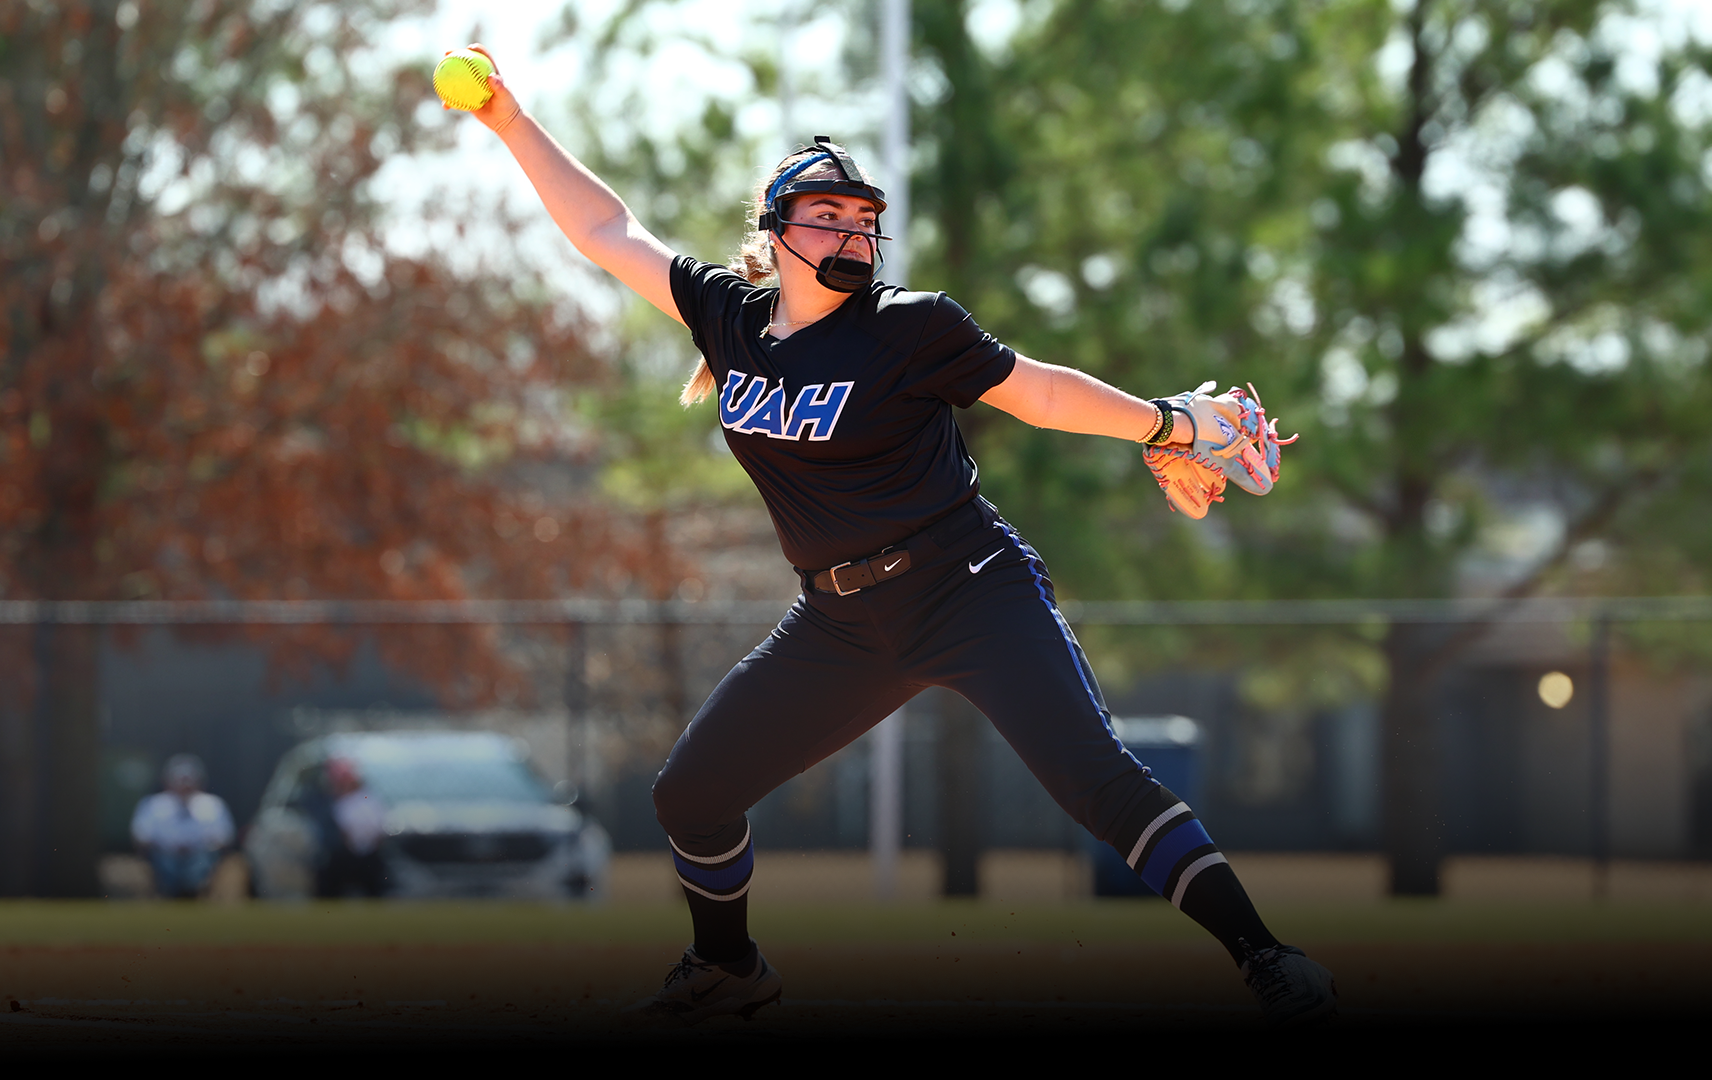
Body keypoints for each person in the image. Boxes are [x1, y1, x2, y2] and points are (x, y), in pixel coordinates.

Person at [458, 47, 1337, 1026]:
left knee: (1097, 783)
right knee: (689, 796)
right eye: (826, 215)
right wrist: (507, 121)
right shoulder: (729, 318)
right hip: (840, 622)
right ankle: (731, 969)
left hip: (967, 585)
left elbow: (1038, 391)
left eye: (865, 219)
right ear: (776, 233)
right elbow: (605, 227)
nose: (852, 231)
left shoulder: (910, 327)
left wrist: (1165, 423)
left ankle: (1267, 956)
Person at [131, 754, 235, 899]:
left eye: (188, 780)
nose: (184, 785)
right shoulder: (153, 804)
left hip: (200, 855)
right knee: (165, 866)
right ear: (168, 781)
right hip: (165, 855)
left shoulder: (213, 805)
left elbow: (224, 837)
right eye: (180, 780)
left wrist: (195, 847)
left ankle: (194, 892)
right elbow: (142, 836)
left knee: (200, 864)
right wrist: (170, 847)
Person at [314, 757, 389, 898]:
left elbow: (372, 830)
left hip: (361, 855)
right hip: (347, 854)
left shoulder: (363, 800)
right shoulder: (335, 802)